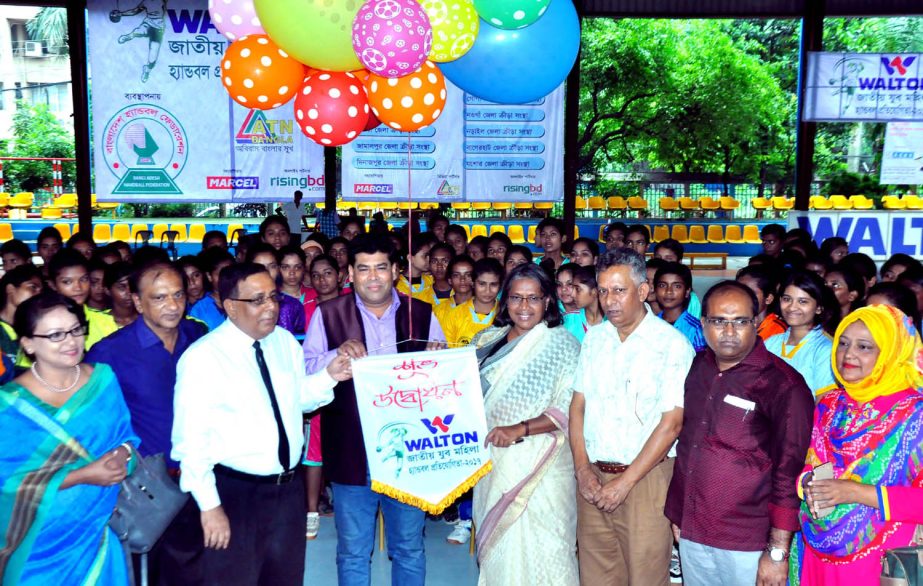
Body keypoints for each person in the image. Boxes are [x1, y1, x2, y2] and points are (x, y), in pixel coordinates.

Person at [172, 263, 351, 585]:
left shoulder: (283, 342)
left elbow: (298, 400)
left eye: (273, 297)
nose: (270, 307)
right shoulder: (203, 358)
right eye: (257, 300)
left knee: (285, 577)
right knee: (234, 577)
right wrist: (210, 506)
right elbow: (190, 441)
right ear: (229, 306)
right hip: (235, 492)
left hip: (287, 491)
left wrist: (329, 376)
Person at [302, 234, 446, 586]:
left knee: (409, 548)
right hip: (352, 450)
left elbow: (444, 383)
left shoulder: (422, 313)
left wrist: (437, 360)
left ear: (396, 271)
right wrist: (336, 355)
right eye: (363, 269)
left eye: (381, 267)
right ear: (349, 273)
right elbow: (306, 376)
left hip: (410, 453)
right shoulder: (328, 314)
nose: (373, 277)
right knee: (353, 550)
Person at [665, 281, 814, 586]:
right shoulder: (698, 368)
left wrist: (777, 552)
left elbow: (789, 473)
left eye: (740, 322)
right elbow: (688, 446)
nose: (729, 332)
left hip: (748, 541)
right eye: (718, 321)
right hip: (693, 529)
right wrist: (679, 514)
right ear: (703, 323)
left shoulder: (784, 385)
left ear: (757, 321)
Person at [570, 248, 695, 586]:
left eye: (619, 290)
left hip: (646, 480)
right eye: (604, 290)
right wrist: (582, 470)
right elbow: (578, 407)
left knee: (645, 577)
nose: (610, 300)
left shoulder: (671, 345)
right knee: (596, 576)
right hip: (594, 478)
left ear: (642, 291)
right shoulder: (594, 339)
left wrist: (625, 484)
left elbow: (672, 423)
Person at [0, 292, 136, 585]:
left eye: (76, 329)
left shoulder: (103, 380)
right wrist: (83, 475)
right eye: (56, 335)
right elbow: (7, 480)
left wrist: (123, 454)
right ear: (28, 343)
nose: (71, 341)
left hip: (96, 528)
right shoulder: (10, 405)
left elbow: (126, 436)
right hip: (37, 539)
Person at [87, 261, 208, 584]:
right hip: (148, 489)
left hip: (203, 476)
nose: (172, 305)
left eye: (178, 295)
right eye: (159, 297)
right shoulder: (109, 353)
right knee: (152, 574)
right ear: (138, 302)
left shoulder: (198, 336)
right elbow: (93, 424)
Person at [791, 305, 923, 585]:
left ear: (892, 352)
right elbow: (811, 465)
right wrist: (808, 485)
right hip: (818, 548)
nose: (848, 355)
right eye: (843, 343)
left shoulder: (916, 415)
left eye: (864, 347)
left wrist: (856, 492)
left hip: (885, 560)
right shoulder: (829, 405)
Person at [470, 263, 581, 584]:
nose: (524, 307)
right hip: (493, 465)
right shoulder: (487, 339)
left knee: (548, 552)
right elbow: (459, 390)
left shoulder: (562, 345)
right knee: (500, 555)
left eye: (533, 298)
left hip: (543, 471)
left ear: (548, 301)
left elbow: (567, 405)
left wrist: (519, 430)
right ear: (505, 301)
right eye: (516, 298)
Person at [765, 271, 837, 396]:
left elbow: (824, 403)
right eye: (787, 299)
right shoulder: (771, 342)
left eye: (803, 301)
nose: (792, 307)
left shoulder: (825, 349)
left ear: (819, 308)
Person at [47, 249, 118, 350]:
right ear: (53, 285)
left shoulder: (106, 322)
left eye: (84, 279)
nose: (78, 287)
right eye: (67, 282)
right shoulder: (43, 324)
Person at [441, 258, 501, 347]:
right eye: (482, 284)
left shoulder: (505, 314)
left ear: (500, 285)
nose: (487, 291)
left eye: (493, 284)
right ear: (472, 283)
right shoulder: (454, 315)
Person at [655, 262, 706, 352]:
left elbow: (700, 363)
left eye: (677, 286)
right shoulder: (650, 324)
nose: (669, 291)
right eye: (662, 285)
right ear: (655, 290)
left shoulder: (696, 329)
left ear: (687, 292)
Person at [0, 264, 42, 366]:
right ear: (10, 289)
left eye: (41, 291)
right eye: (33, 287)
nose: (39, 295)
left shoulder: (37, 327)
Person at [736, 265, 786, 340]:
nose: (743, 298)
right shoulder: (731, 323)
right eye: (738, 292)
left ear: (768, 299)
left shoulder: (779, 331)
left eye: (751, 293)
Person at [189, 247, 234, 330]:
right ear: (209, 276)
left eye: (231, 273)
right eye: (220, 274)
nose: (226, 278)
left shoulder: (243, 301)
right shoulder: (199, 309)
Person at [562, 264, 603, 343]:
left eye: (577, 289)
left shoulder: (613, 321)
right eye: (573, 288)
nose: (572, 294)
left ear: (595, 291)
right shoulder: (567, 320)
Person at [396, 232, 437, 306]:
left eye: (430, 255)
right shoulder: (396, 283)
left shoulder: (432, 280)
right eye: (425, 256)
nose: (429, 259)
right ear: (410, 258)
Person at [105, 261, 138, 327]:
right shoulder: (98, 321)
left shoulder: (147, 318)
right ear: (107, 290)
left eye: (132, 286)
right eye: (121, 287)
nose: (129, 292)